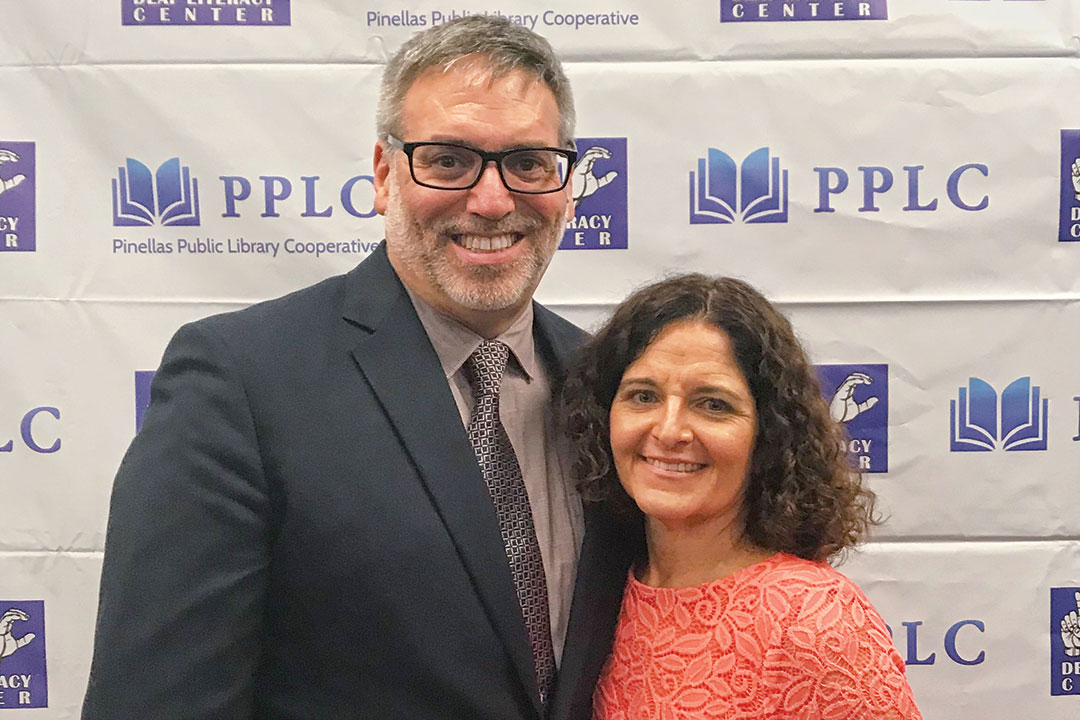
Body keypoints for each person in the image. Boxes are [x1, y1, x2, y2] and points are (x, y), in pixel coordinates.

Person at [82, 16, 634, 720]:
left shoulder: (612, 385)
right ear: (383, 175)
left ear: (565, 182)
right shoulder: (242, 383)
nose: (493, 199)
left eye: (529, 162)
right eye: (448, 160)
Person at [561, 274, 922, 720]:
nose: (670, 430)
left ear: (768, 434)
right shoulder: (601, 590)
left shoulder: (813, 621)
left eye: (713, 404)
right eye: (643, 396)